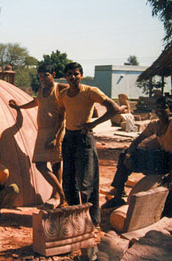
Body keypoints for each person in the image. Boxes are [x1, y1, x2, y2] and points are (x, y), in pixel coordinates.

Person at [58, 62, 122, 225]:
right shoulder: (64, 94)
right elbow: (60, 115)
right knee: (68, 180)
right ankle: (75, 216)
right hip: (69, 138)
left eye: (76, 74)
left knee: (87, 181)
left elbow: (113, 108)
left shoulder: (90, 92)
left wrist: (93, 124)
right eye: (69, 74)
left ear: (81, 75)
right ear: (65, 77)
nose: (72, 77)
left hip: (84, 138)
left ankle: (93, 221)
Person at [102, 97, 172, 209]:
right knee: (124, 154)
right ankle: (118, 196)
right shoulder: (154, 125)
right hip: (163, 156)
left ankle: (119, 194)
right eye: (158, 108)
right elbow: (136, 141)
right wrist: (129, 156)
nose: (160, 111)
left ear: (171, 110)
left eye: (164, 108)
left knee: (148, 157)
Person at [9, 64, 67, 208]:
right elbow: (36, 102)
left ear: (53, 73)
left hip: (55, 131)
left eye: (46, 75)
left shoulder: (59, 89)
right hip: (42, 131)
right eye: (40, 76)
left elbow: (62, 115)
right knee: (43, 164)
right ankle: (59, 194)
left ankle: (59, 195)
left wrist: (55, 136)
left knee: (53, 164)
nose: (43, 79)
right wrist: (19, 107)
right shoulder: (42, 90)